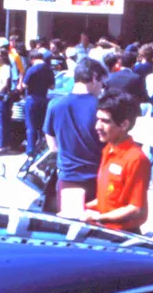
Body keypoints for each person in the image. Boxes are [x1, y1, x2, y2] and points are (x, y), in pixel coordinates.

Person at [83, 91, 151, 234]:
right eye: (98, 119)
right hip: (103, 231)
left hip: (121, 236)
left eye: (105, 121)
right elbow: (109, 201)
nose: (97, 126)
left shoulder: (136, 159)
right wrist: (80, 208)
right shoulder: (108, 149)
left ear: (124, 124)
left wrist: (99, 218)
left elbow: (136, 209)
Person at [44, 56, 106, 211]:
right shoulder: (102, 107)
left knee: (70, 229)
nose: (101, 88)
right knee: (98, 232)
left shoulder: (55, 105)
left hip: (67, 179)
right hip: (97, 180)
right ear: (93, 79)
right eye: (101, 83)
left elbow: (52, 145)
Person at [23, 50, 55, 156]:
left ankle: (30, 150)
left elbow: (25, 85)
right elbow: (52, 86)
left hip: (32, 99)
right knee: (42, 126)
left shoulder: (32, 69)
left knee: (31, 126)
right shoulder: (49, 69)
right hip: (43, 98)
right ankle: (41, 149)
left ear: (32, 59)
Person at [0, 46, 15, 154]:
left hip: (2, 96)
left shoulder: (6, 67)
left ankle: (1, 144)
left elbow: (6, 84)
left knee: (2, 120)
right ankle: (4, 143)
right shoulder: (0, 68)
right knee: (1, 120)